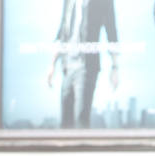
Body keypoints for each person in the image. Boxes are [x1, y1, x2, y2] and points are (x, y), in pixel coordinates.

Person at [47, 0, 120, 129]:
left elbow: (111, 30)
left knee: (81, 119)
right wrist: (52, 64)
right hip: (67, 64)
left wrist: (115, 67)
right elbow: (63, 29)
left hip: (86, 66)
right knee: (66, 121)